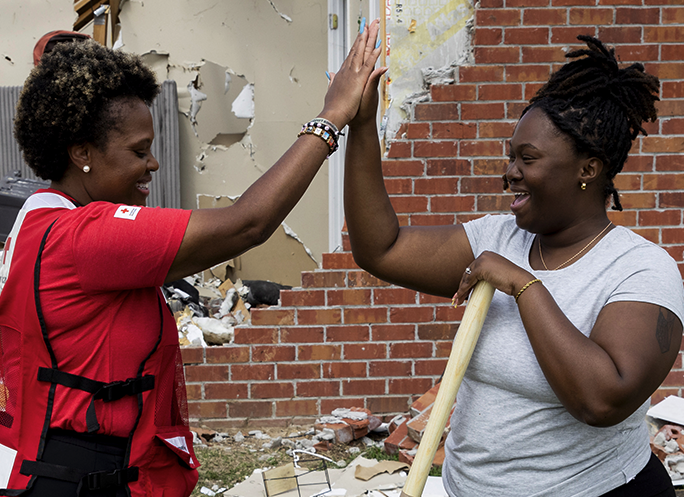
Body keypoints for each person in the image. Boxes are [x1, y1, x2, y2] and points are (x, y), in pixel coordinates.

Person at [0, 19, 385, 497]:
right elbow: (247, 223)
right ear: (82, 152)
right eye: (139, 151)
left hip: (70, 468)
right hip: (83, 479)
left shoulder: (42, 220)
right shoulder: (84, 237)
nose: (153, 164)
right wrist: (331, 119)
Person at [343, 35, 684, 497]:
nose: (510, 171)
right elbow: (380, 249)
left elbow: (602, 399)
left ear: (588, 169)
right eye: (511, 156)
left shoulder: (641, 269)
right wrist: (361, 126)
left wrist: (525, 284)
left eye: (528, 158)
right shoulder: (497, 237)